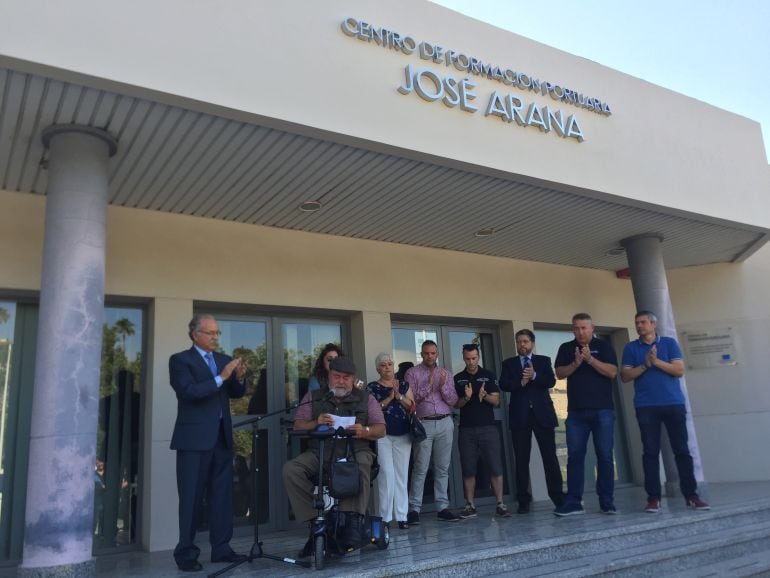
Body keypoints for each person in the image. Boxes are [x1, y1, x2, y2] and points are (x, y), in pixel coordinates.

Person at [283, 356, 385, 555]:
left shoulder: (366, 398)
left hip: (355, 451)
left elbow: (381, 429)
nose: (341, 381)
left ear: (353, 379)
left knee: (362, 464)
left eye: (346, 378)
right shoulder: (313, 396)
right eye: (337, 376)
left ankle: (350, 522)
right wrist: (315, 422)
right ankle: (317, 524)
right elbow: (297, 425)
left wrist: (364, 430)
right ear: (329, 376)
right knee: (291, 470)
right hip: (320, 452)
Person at [169, 314, 247, 572]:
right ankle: (186, 554)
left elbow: (236, 393)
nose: (215, 337)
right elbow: (188, 392)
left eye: (217, 333)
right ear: (195, 334)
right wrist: (221, 377)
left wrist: (239, 378)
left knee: (222, 497)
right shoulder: (181, 360)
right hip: (193, 441)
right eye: (210, 333)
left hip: (221, 440)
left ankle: (222, 549)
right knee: (191, 498)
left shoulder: (224, 361)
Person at [620, 310, 710, 513]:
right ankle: (653, 498)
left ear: (654, 324)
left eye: (643, 322)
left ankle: (692, 496)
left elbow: (678, 370)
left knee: (681, 450)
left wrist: (656, 361)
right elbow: (625, 376)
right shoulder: (631, 348)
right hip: (646, 406)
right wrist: (645, 364)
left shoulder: (669, 343)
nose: (639, 326)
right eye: (637, 323)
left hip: (673, 404)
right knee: (650, 452)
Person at [553, 313, 618, 516]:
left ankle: (606, 501)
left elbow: (612, 372)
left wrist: (590, 359)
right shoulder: (566, 348)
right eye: (576, 328)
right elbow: (560, 373)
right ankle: (574, 501)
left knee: (605, 456)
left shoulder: (604, 346)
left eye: (584, 327)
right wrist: (576, 363)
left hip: (603, 410)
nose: (580, 332)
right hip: (576, 413)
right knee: (575, 457)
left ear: (592, 328)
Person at [500, 329, 565, 514]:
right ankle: (523, 499)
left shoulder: (543, 360)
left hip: (542, 415)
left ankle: (558, 497)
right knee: (521, 459)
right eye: (519, 341)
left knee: (550, 458)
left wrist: (534, 376)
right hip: (520, 416)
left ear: (532, 343)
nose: (522, 345)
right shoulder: (509, 364)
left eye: (525, 341)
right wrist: (520, 382)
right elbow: (503, 384)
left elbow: (551, 381)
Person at [454, 343, 511, 518]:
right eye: (468, 358)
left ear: (478, 357)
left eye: (474, 358)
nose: (471, 362)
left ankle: (500, 504)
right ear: (463, 358)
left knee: (495, 466)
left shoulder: (488, 375)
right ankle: (470, 505)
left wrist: (484, 396)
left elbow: (497, 401)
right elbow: (456, 404)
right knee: (468, 468)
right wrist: (467, 397)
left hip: (488, 428)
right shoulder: (458, 378)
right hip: (467, 430)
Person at [406, 340, 460, 523]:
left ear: (437, 354)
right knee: (420, 468)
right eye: (426, 353)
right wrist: (429, 384)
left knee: (442, 467)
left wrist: (443, 385)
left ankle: (442, 507)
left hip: (445, 422)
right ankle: (414, 509)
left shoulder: (446, 373)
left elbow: (453, 400)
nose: (430, 356)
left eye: (433, 353)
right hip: (424, 424)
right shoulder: (412, 373)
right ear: (422, 354)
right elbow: (411, 401)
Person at [368, 352, 415, 529]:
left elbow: (412, 406)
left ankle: (402, 516)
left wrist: (400, 396)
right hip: (383, 435)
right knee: (386, 476)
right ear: (378, 368)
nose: (387, 367)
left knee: (402, 475)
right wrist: (389, 397)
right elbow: (372, 410)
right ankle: (385, 518)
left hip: (403, 434)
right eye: (383, 365)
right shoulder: (373, 387)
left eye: (389, 364)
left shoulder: (403, 384)